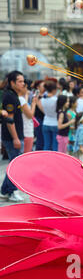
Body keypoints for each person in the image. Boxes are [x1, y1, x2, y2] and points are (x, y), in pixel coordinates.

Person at [0, 71, 25, 202]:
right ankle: (12, 191)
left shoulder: (13, 95)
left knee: (13, 163)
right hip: (11, 137)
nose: (23, 83)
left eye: (23, 80)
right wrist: (16, 138)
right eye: (20, 81)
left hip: (14, 136)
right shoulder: (10, 97)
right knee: (16, 165)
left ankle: (5, 190)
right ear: (12, 83)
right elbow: (10, 121)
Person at [19, 80, 37, 153]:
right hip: (27, 131)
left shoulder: (19, 98)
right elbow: (30, 115)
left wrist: (26, 95)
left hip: (23, 131)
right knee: (26, 155)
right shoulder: (21, 99)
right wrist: (34, 104)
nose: (27, 89)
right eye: (26, 87)